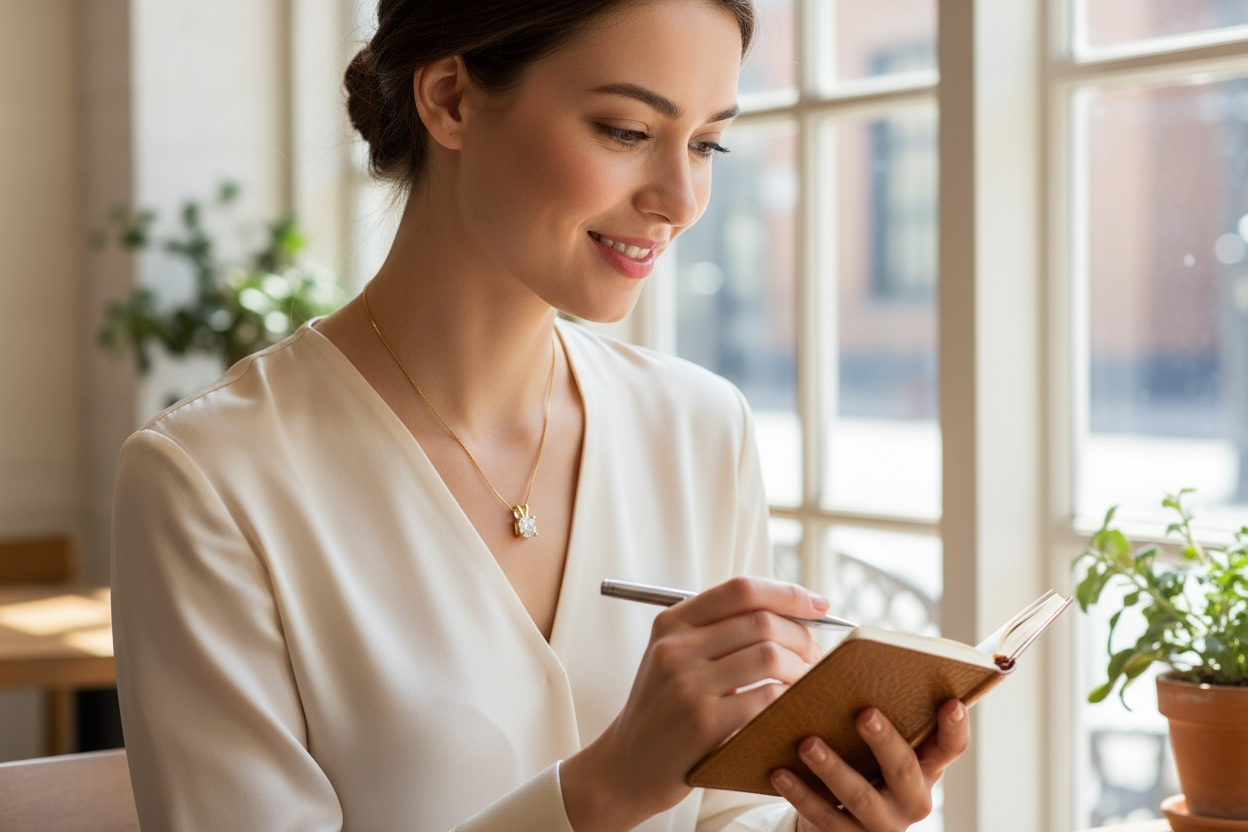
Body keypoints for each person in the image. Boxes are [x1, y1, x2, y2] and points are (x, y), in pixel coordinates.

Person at [110, 1, 969, 830]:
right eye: (628, 132)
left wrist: (816, 823)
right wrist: (604, 790)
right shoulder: (211, 479)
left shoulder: (701, 428)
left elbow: (727, 817)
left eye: (707, 143)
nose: (680, 198)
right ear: (449, 98)